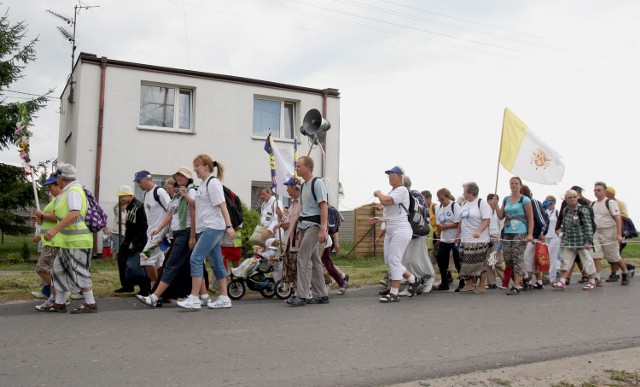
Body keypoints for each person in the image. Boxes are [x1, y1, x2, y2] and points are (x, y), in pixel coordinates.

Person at [177, 155, 235, 310]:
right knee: (216, 262)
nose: (195, 169)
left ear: (206, 166)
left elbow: (222, 205)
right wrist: (185, 196)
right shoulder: (202, 184)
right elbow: (198, 205)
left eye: (196, 165)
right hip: (206, 227)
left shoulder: (213, 183)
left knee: (195, 258)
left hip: (213, 227)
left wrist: (229, 226)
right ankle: (224, 298)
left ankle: (194, 298)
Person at [39, 163, 97, 313]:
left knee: (80, 271)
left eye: (56, 177)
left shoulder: (73, 191)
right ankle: (59, 302)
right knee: (58, 270)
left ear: (60, 177)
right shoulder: (67, 191)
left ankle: (90, 303)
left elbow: (74, 213)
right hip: (67, 241)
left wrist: (54, 230)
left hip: (78, 241)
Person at [137, 167, 198, 307]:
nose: (179, 178)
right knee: (190, 265)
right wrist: (158, 229)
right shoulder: (176, 195)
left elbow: (194, 211)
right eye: (177, 175)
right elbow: (169, 214)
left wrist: (192, 237)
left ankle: (155, 296)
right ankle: (201, 296)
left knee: (169, 265)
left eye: (182, 176)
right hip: (175, 234)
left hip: (185, 232)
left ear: (189, 178)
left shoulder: (190, 191)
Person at [367, 166, 420, 303]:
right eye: (389, 174)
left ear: (401, 176)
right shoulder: (393, 191)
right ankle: (413, 280)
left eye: (393, 174)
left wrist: (378, 193)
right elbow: (392, 211)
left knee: (394, 260)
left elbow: (386, 201)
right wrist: (380, 217)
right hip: (392, 228)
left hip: (401, 229)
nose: (390, 176)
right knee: (389, 261)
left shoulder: (402, 190)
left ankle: (394, 293)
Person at [285, 156, 331, 306]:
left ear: (307, 167)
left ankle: (302, 294)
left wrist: (323, 228)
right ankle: (321, 294)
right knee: (314, 259)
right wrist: (299, 227)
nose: (296, 169)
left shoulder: (317, 183)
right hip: (305, 225)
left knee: (302, 257)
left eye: (298, 166)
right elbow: (305, 209)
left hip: (314, 225)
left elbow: (324, 206)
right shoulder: (304, 186)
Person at [552, 189, 597, 290]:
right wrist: (561, 231)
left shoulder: (583, 210)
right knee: (565, 261)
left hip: (581, 241)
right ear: (566, 200)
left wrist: (588, 241)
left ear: (577, 198)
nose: (572, 199)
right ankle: (562, 281)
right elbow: (566, 225)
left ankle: (592, 281)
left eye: (574, 197)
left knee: (587, 261)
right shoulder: (565, 210)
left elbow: (588, 226)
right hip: (569, 241)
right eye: (569, 197)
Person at [496, 176, 533, 295]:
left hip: (520, 231)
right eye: (512, 183)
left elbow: (530, 218)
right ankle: (525, 275)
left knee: (517, 257)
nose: (514, 185)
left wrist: (530, 233)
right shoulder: (506, 199)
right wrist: (495, 205)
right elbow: (501, 216)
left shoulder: (525, 200)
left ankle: (517, 285)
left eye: (516, 183)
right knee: (508, 257)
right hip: (507, 231)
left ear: (520, 185)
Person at [32, 174, 64, 310]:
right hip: (48, 240)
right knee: (51, 270)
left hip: (53, 241)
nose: (49, 189)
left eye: (51, 186)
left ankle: (61, 293)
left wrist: (42, 215)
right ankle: (56, 297)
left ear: (58, 185)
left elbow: (59, 217)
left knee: (41, 268)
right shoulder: (55, 199)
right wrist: (41, 219)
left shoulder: (61, 199)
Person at [133, 170, 171, 286]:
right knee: (159, 263)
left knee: (145, 259)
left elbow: (172, 210)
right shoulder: (146, 194)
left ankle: (155, 291)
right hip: (151, 234)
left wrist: (165, 231)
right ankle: (164, 293)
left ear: (148, 179)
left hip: (159, 235)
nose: (139, 185)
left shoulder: (159, 192)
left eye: (140, 182)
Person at [454, 182, 492, 293]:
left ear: (470, 192)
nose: (463, 193)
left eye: (464, 191)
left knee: (479, 263)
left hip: (478, 240)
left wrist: (479, 231)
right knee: (465, 262)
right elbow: (461, 222)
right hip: (465, 239)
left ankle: (481, 285)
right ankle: (470, 282)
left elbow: (487, 220)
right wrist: (457, 236)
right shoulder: (464, 203)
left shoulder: (481, 203)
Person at [114, 185, 150, 295]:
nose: (121, 200)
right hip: (128, 238)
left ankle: (144, 289)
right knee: (122, 261)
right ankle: (127, 285)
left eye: (123, 197)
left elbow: (144, 227)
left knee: (138, 265)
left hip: (137, 240)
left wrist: (135, 242)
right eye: (120, 197)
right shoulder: (129, 206)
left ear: (130, 195)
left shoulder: (139, 207)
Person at [591, 182, 629, 285]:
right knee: (595, 255)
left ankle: (625, 272)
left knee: (614, 256)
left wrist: (619, 234)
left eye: (599, 190)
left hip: (609, 231)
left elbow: (618, 218)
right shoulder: (593, 204)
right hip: (596, 232)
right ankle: (597, 277)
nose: (596, 192)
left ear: (604, 191)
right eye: (595, 190)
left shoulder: (610, 203)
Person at [433, 188, 462, 291]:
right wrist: (440, 230)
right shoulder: (438, 208)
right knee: (441, 260)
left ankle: (462, 283)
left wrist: (448, 226)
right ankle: (444, 282)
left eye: (442, 199)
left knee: (457, 261)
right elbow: (438, 223)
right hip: (444, 238)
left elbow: (459, 223)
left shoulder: (455, 206)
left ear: (448, 197)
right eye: (439, 200)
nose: (441, 202)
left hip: (456, 238)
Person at [520, 185, 548, 290]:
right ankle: (539, 282)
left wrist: (542, 232)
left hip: (535, 235)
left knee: (527, 258)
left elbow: (542, 218)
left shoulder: (533, 202)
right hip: (525, 234)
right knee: (533, 259)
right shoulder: (521, 204)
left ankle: (528, 280)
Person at [604, 186, 635, 279]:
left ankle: (615, 273)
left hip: (620, 231)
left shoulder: (620, 203)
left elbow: (625, 217)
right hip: (608, 231)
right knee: (612, 254)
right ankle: (627, 267)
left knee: (615, 254)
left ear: (609, 193)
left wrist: (614, 215)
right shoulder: (603, 203)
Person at [484, 193, 505, 289]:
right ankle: (491, 282)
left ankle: (506, 278)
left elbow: (502, 223)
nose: (492, 202)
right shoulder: (484, 211)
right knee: (488, 261)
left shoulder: (498, 211)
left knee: (495, 260)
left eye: (495, 200)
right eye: (491, 200)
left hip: (496, 237)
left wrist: (499, 236)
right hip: (486, 238)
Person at [543, 196, 561, 284]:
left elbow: (561, 223)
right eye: (548, 202)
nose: (550, 205)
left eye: (551, 203)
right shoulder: (544, 212)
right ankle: (546, 276)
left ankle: (552, 277)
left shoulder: (557, 212)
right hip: (545, 236)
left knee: (553, 257)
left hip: (554, 236)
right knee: (545, 257)